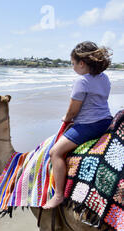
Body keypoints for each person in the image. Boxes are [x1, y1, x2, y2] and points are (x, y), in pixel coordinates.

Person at [43, 41, 113, 209]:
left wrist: (65, 118)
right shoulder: (104, 78)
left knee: (55, 152)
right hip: (106, 122)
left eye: (73, 64)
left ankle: (59, 195)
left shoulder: (81, 81)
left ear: (82, 63)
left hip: (88, 125)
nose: (73, 67)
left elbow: (73, 111)